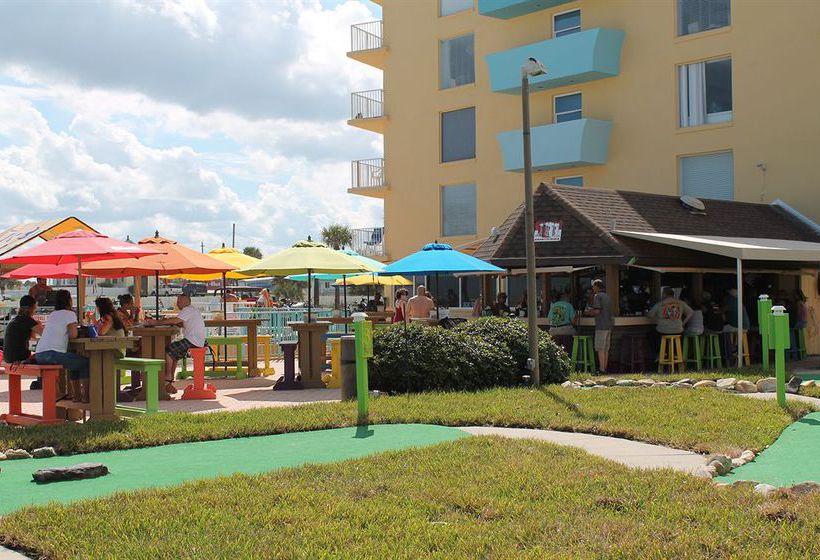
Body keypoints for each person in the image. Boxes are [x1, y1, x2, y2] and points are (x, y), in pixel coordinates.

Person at [34, 290, 90, 402]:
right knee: (85, 363)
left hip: (39, 354)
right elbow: (73, 335)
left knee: (75, 362)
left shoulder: (53, 314)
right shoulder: (70, 314)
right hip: (53, 354)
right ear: (69, 300)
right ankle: (85, 397)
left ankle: (77, 396)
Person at [145, 294, 206, 395]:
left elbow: (176, 320)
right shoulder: (192, 309)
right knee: (174, 354)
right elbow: (181, 323)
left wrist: (155, 322)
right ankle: (169, 382)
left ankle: (167, 378)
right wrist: (168, 321)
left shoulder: (187, 310)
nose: (177, 303)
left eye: (179, 301)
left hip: (193, 340)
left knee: (169, 350)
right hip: (197, 340)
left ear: (186, 301)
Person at [648, 288, 694, 355]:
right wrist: (683, 323)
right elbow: (691, 312)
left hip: (663, 331)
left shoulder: (660, 304)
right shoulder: (680, 302)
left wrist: (658, 319)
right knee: (679, 337)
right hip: (678, 331)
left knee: (650, 334)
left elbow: (650, 315)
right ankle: (674, 355)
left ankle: (660, 353)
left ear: (664, 294)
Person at [2, 295, 44, 364]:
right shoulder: (28, 320)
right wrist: (39, 325)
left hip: (7, 357)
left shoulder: (15, 320)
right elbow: (45, 334)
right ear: (32, 307)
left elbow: (32, 337)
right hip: (20, 356)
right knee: (44, 357)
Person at [584, 279, 612, 374]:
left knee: (600, 348)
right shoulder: (607, 296)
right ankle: (605, 368)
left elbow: (597, 311)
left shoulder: (597, 296)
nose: (592, 288)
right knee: (605, 349)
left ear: (596, 286)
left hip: (601, 325)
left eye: (593, 286)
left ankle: (601, 369)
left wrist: (588, 312)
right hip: (609, 325)